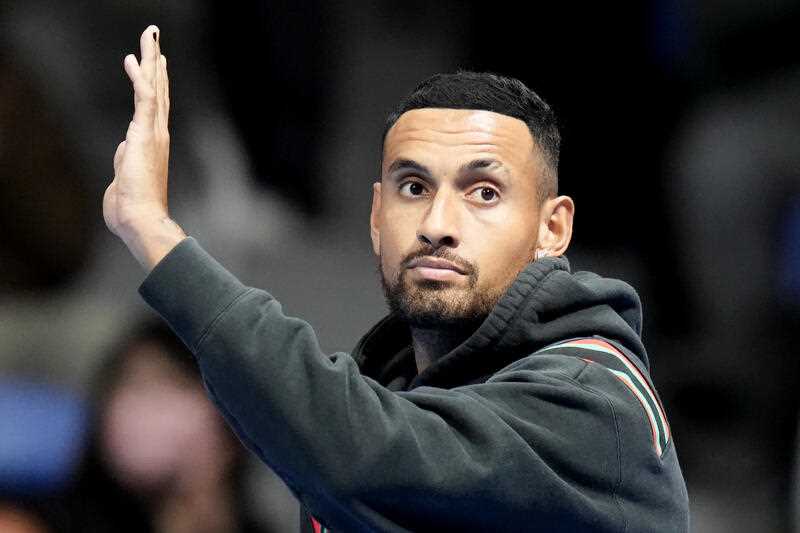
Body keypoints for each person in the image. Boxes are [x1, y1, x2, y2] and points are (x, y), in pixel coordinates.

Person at [103, 25, 689, 532]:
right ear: (377, 216)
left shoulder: (596, 402)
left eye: (484, 192)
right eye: (414, 188)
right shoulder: (388, 392)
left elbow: (360, 451)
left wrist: (153, 231)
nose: (438, 224)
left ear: (552, 229)